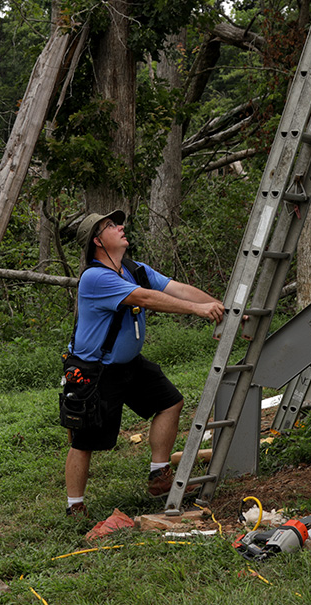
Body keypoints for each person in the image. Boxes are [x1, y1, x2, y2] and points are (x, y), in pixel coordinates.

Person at [64, 209, 225, 518]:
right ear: (97, 241)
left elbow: (176, 288)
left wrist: (218, 307)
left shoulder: (132, 269)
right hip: (95, 371)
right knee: (85, 441)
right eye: (111, 225)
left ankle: (159, 475)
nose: (121, 227)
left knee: (170, 402)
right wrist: (197, 310)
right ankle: (75, 508)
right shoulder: (95, 277)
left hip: (130, 365)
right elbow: (146, 299)